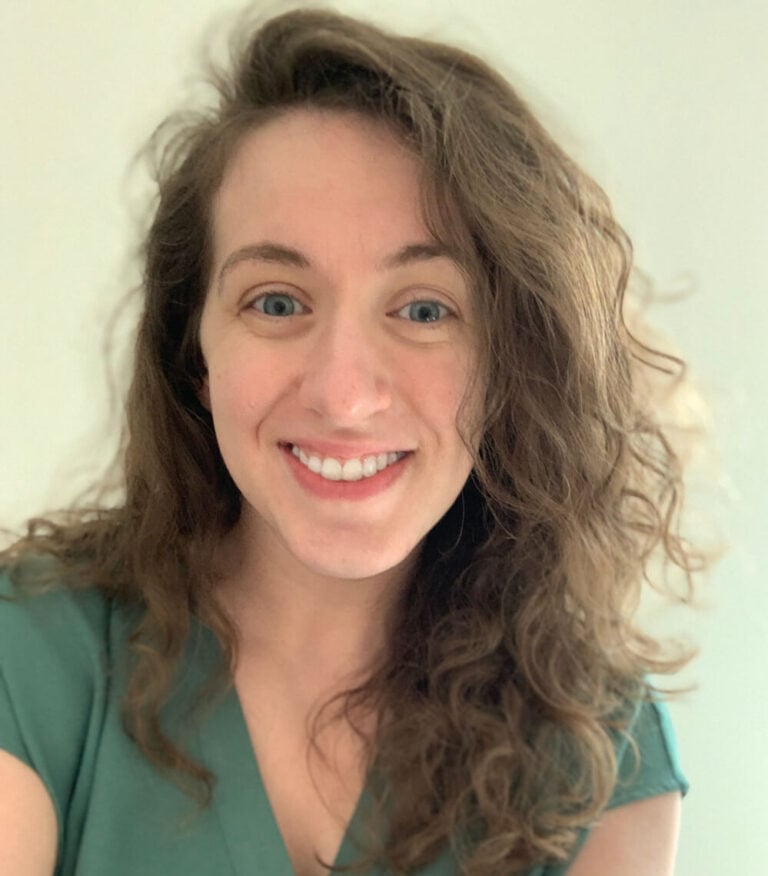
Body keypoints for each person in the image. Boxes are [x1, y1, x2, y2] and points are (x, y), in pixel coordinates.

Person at [0, 6, 702, 875]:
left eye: (423, 309)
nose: (343, 395)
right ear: (196, 351)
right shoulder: (25, 658)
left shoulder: (601, 757)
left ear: (513, 361)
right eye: (278, 302)